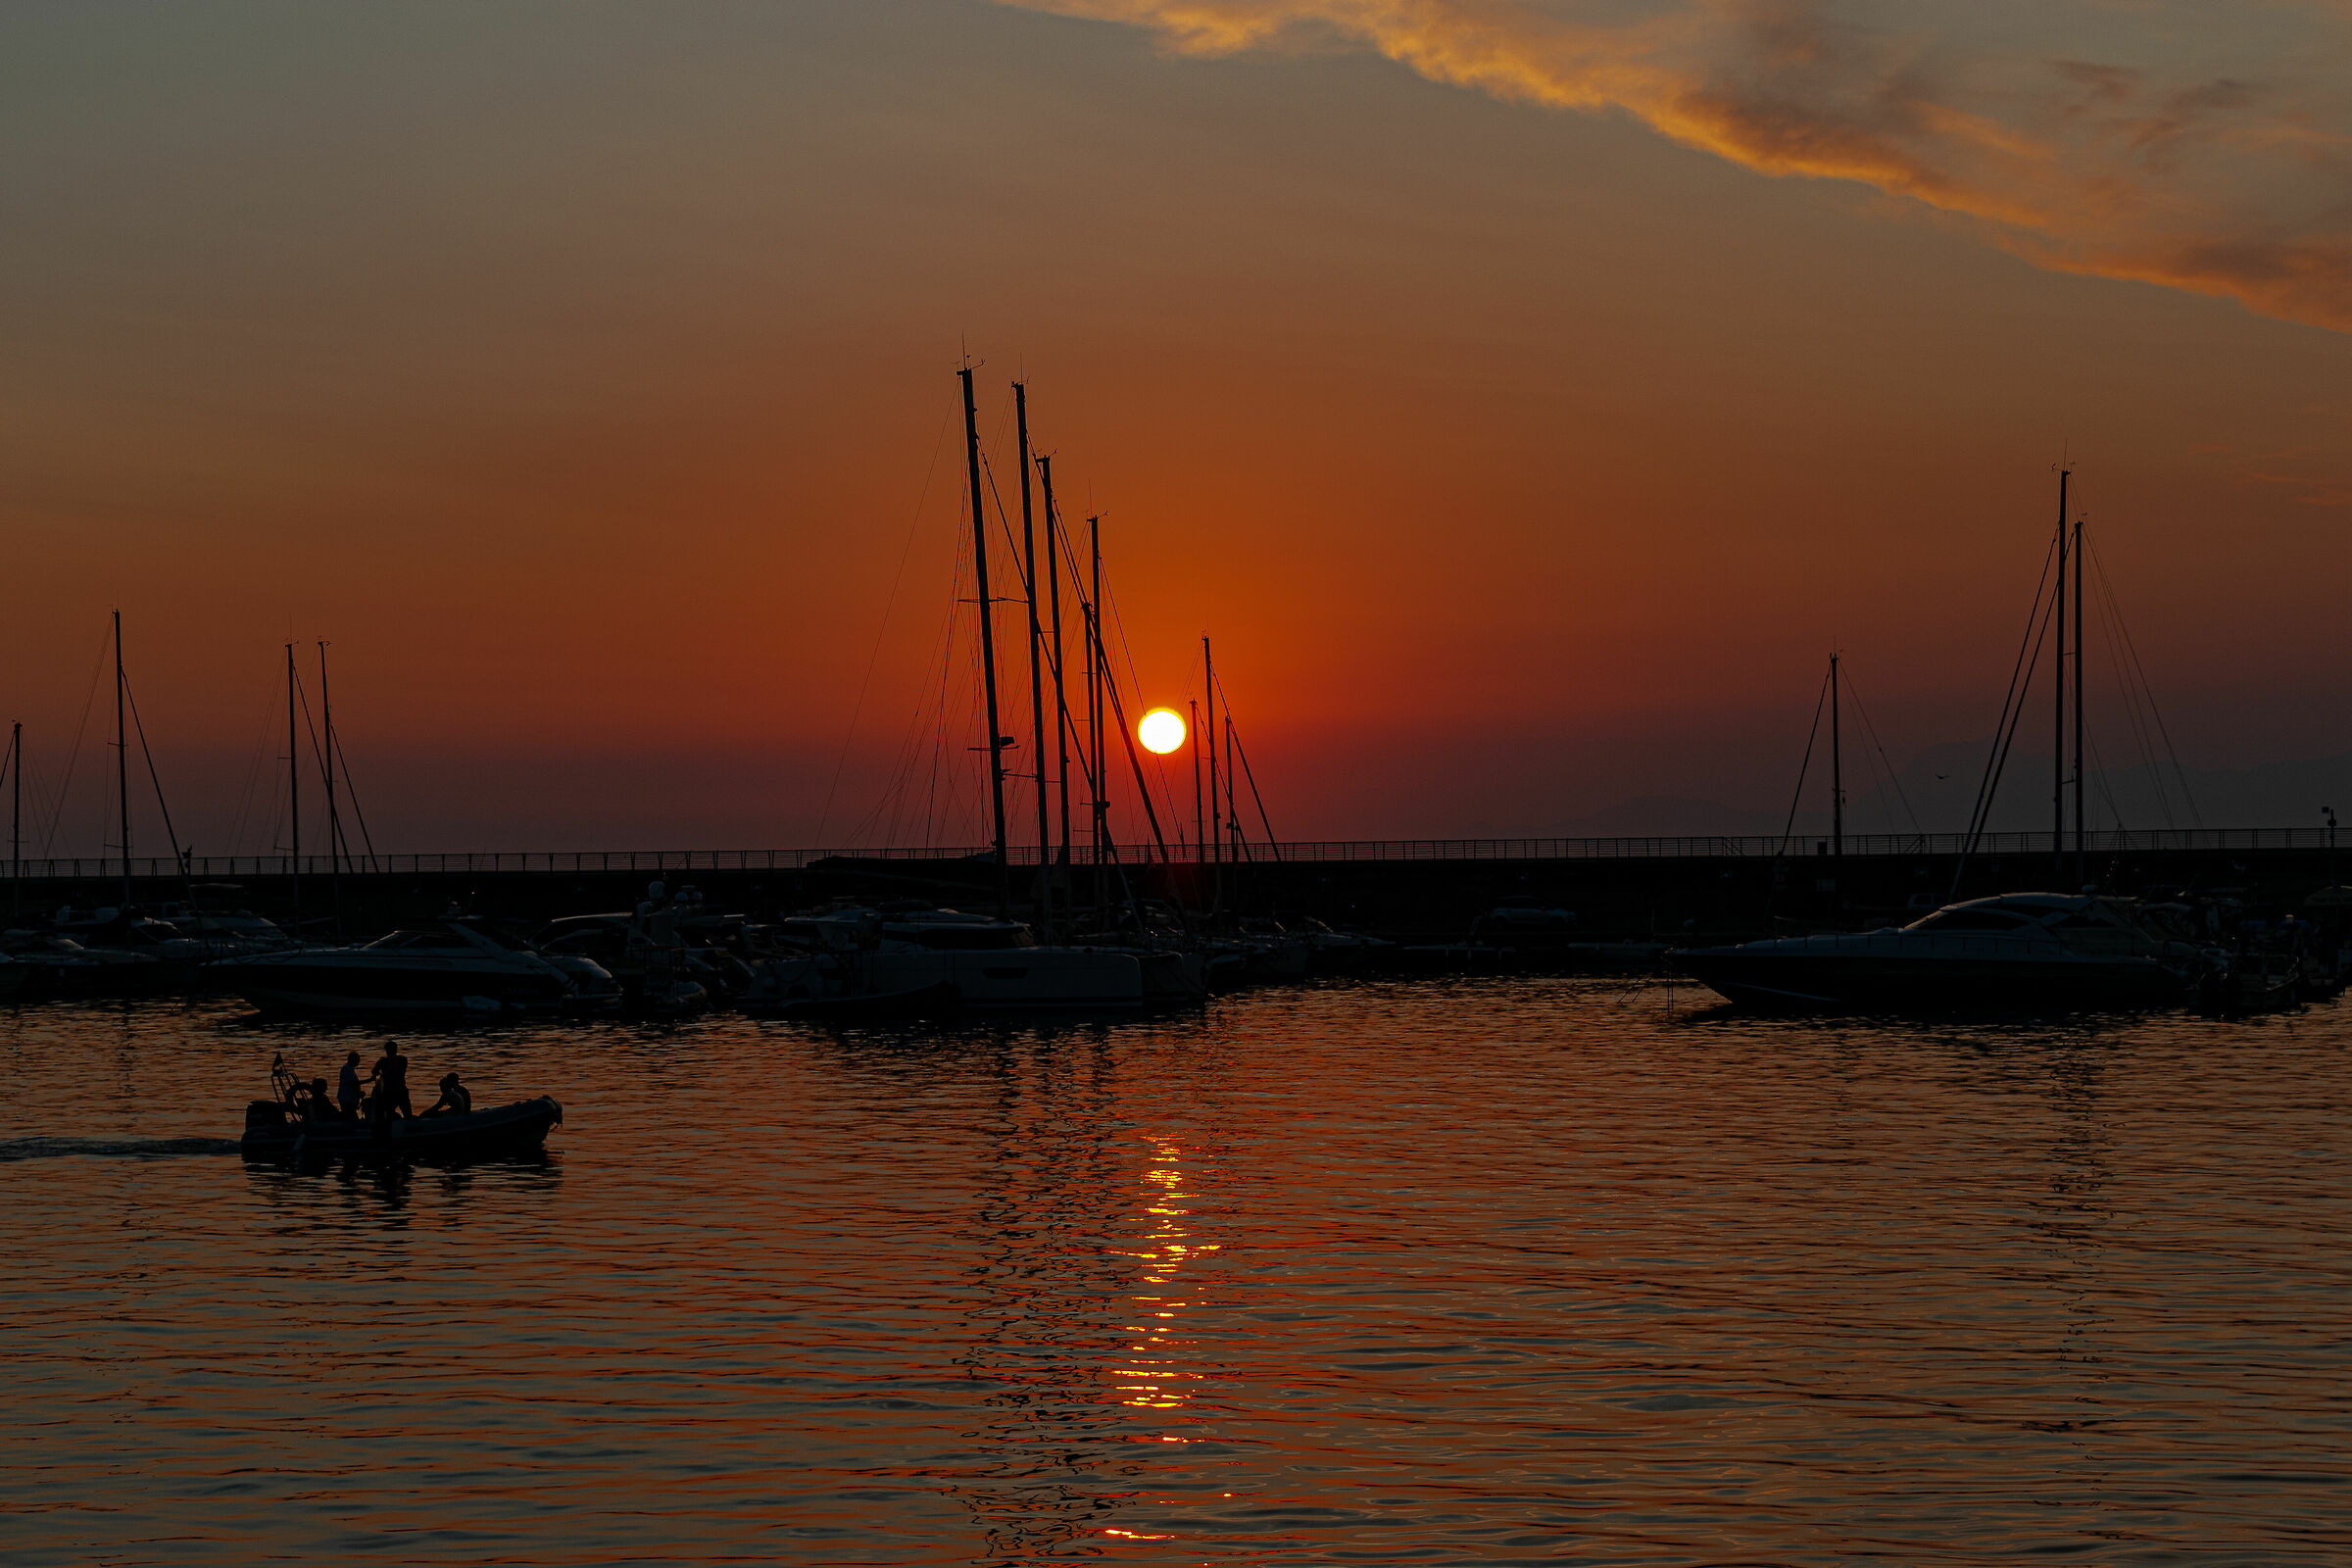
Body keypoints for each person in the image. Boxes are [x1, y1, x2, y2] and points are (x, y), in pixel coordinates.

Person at [368, 1039, 415, 1123]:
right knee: (407, 1114)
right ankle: (410, 1127)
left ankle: (390, 1130)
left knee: (389, 1115)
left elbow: (374, 1071)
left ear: (387, 1050)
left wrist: (381, 1073)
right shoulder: (403, 1059)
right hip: (401, 1090)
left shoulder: (383, 1061)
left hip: (389, 1092)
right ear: (396, 1049)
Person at [337, 1051, 366, 1118]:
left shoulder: (350, 1069)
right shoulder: (347, 1069)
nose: (359, 1062)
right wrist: (369, 1080)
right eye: (358, 1060)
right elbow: (354, 1083)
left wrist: (359, 1093)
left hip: (349, 1099)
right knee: (351, 1118)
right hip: (346, 1100)